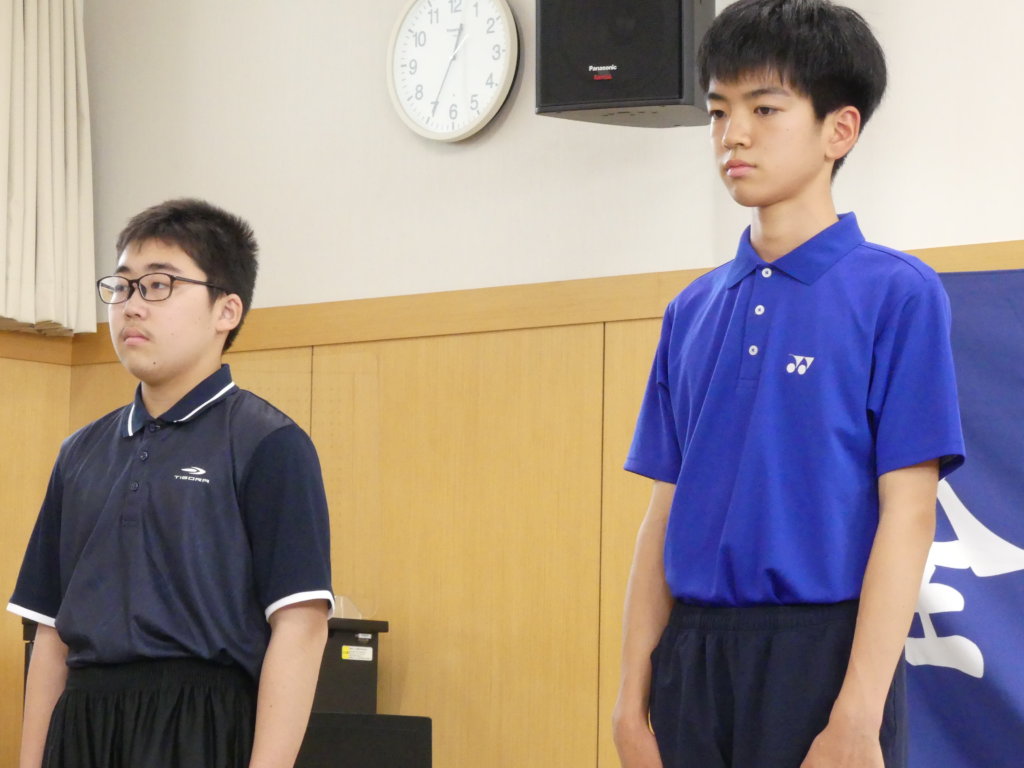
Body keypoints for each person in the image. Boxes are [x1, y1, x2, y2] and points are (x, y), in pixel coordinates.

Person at [611, 2, 965, 767]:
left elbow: (909, 512)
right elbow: (663, 512)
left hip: (822, 658)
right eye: (719, 112)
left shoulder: (897, 294)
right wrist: (630, 702)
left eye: (764, 109)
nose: (733, 135)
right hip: (691, 660)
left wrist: (857, 718)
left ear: (840, 130)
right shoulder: (691, 309)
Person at [8, 199, 334, 768]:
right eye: (122, 286)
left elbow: (300, 627)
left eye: (159, 285)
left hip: (200, 725)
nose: (132, 306)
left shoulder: (269, 443)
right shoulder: (78, 453)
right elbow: (51, 635)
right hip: (82, 725)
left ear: (226, 310)